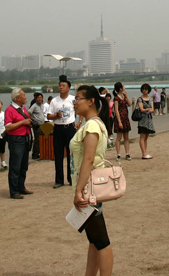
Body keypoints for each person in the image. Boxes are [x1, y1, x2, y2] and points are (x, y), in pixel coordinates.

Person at [71, 84, 114, 276]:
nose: (75, 102)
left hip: (89, 189)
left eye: (78, 98)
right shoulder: (92, 124)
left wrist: (79, 191)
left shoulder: (92, 126)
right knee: (94, 240)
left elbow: (88, 159)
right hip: (89, 188)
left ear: (91, 101)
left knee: (101, 241)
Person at [4, 87, 34, 199]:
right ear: (18, 98)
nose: (25, 97)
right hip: (16, 139)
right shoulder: (9, 110)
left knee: (23, 165)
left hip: (25, 138)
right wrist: (23, 122)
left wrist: (28, 123)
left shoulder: (23, 108)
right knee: (15, 165)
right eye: (24, 95)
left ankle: (21, 187)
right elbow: (8, 127)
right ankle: (14, 191)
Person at [47, 75, 77, 188]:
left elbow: (81, 110)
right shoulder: (54, 101)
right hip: (58, 129)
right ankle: (59, 180)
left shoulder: (73, 99)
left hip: (70, 128)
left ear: (68, 88)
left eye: (64, 86)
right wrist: (56, 115)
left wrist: (79, 122)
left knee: (71, 154)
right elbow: (48, 115)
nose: (61, 87)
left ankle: (71, 178)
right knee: (58, 155)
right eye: (60, 86)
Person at [111, 82, 132, 161]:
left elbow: (129, 104)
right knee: (119, 137)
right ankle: (118, 154)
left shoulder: (123, 96)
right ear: (120, 88)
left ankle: (127, 153)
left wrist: (126, 97)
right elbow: (116, 110)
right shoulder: (116, 98)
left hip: (125, 118)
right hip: (119, 118)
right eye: (123, 86)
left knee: (126, 137)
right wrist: (119, 122)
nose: (124, 87)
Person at [136, 83, 155, 158]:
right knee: (142, 136)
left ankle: (145, 152)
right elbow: (141, 109)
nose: (144, 90)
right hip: (142, 120)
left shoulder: (151, 99)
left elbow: (153, 109)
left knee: (146, 136)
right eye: (143, 89)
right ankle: (143, 153)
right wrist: (148, 109)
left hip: (149, 120)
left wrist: (148, 110)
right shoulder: (140, 99)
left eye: (146, 89)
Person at [29, 92, 46, 160]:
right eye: (38, 97)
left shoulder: (42, 105)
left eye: (41, 97)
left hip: (43, 125)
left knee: (42, 139)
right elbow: (29, 113)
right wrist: (32, 121)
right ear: (36, 99)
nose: (40, 99)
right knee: (37, 140)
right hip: (37, 125)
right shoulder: (34, 106)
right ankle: (35, 154)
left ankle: (41, 153)